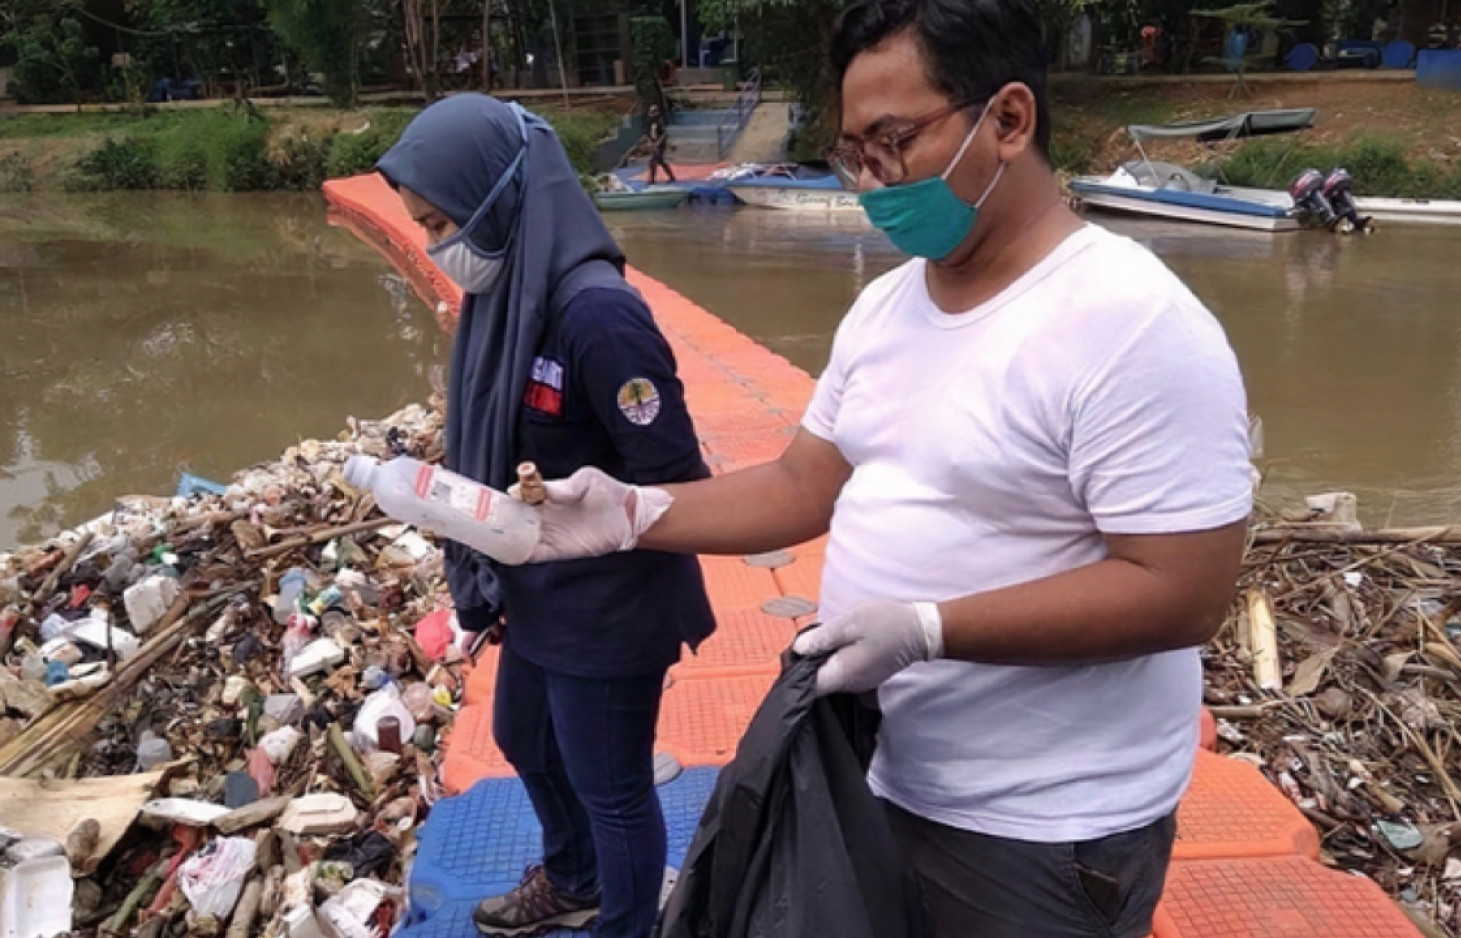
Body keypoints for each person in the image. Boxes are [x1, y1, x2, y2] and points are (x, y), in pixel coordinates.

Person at [506, 0, 1254, 935]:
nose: (872, 179)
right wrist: (630, 515)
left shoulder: (1132, 324)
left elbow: (1183, 591)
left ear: (1009, 121)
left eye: (894, 141)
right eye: (854, 151)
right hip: (875, 770)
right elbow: (801, 486)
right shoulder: (888, 306)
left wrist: (931, 630)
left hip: (1044, 829)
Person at [376, 95, 716, 938]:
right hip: (536, 588)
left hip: (610, 604)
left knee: (613, 787)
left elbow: (679, 484)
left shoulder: (597, 317)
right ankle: (575, 877)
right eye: (420, 224)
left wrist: (604, 508)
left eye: (440, 220)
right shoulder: (510, 301)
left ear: (500, 201)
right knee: (523, 733)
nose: (434, 244)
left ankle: (628, 921)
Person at [646, 104, 676, 185]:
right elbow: (650, 134)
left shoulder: (660, 121)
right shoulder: (651, 122)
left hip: (660, 145)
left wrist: (658, 142)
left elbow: (664, 134)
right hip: (654, 143)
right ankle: (671, 176)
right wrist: (650, 142)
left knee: (653, 160)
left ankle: (652, 179)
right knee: (660, 161)